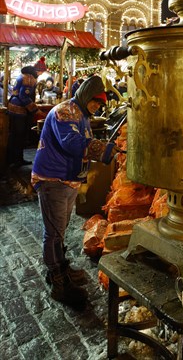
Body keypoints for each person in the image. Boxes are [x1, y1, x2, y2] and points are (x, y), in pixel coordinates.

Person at [31, 75, 119, 309]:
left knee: (59, 228)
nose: (97, 107)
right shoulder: (65, 111)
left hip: (68, 180)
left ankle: (62, 267)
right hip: (53, 178)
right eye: (95, 102)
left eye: (100, 104)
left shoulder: (82, 115)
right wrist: (101, 149)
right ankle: (58, 282)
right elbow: (71, 142)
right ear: (86, 96)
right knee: (53, 232)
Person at [6, 60, 46, 167]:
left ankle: (12, 159)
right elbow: (24, 96)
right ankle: (17, 160)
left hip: (13, 108)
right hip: (19, 110)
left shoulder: (22, 76)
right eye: (40, 72)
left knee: (14, 135)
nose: (40, 74)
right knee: (19, 136)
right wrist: (36, 110)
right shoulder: (28, 79)